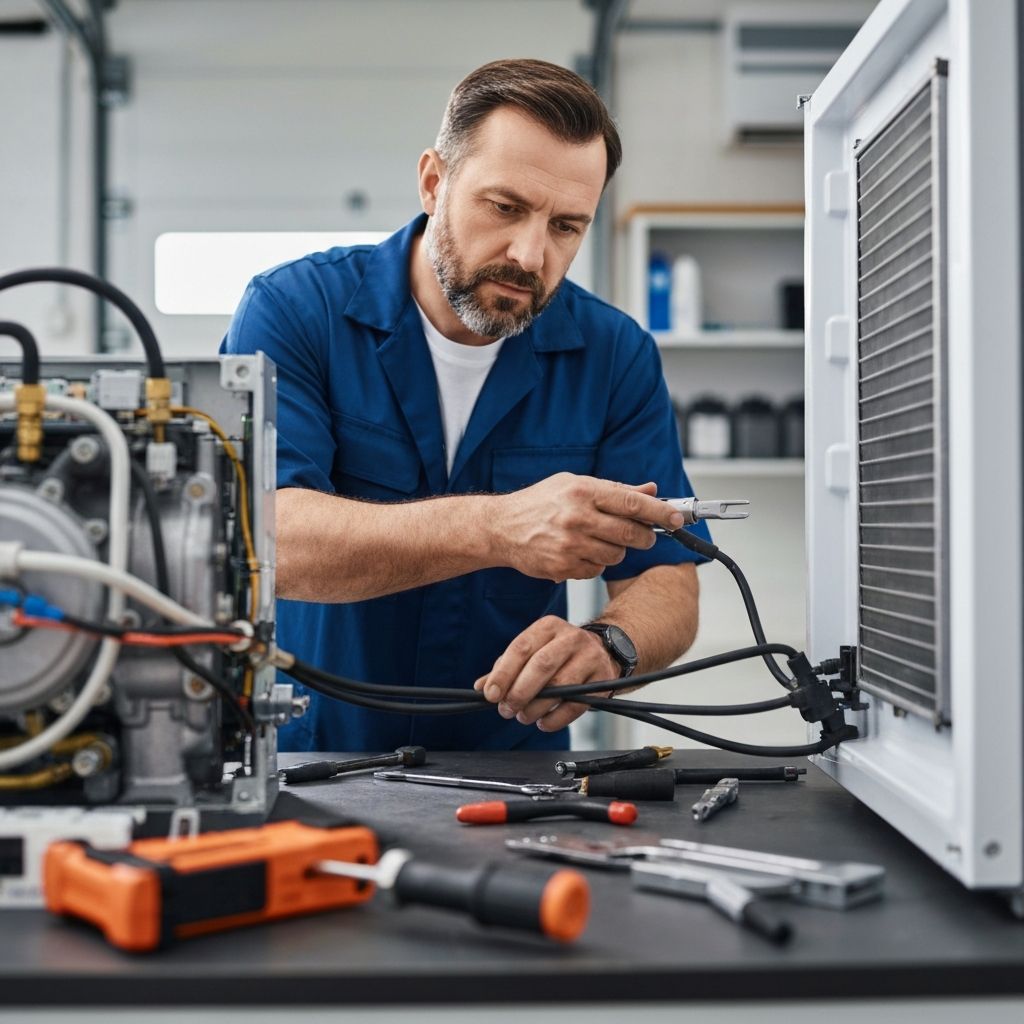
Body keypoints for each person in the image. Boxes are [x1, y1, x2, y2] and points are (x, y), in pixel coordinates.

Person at [221, 58, 710, 753]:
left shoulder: (614, 355)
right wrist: (499, 527)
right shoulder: (298, 312)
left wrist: (610, 647)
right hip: (308, 753)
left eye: (567, 226)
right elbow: (273, 539)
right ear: (433, 182)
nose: (530, 253)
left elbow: (666, 575)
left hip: (514, 769)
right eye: (505, 207)